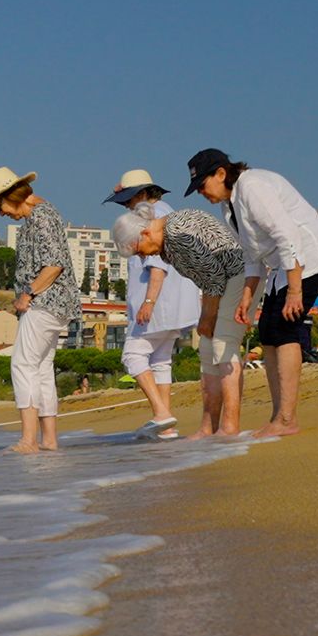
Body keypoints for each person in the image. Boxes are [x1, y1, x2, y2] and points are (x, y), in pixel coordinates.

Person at [184, 148, 318, 439]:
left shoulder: (252, 187)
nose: (201, 194)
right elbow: (251, 255)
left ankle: (287, 419)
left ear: (221, 173)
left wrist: (295, 291)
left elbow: (287, 235)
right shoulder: (228, 205)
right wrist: (247, 296)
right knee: (268, 331)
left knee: (284, 329)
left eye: (202, 185)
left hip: (308, 256)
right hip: (281, 265)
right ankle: (278, 417)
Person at [111, 205, 248, 438]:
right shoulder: (166, 241)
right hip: (221, 283)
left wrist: (208, 316)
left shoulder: (175, 233)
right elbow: (206, 278)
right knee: (206, 351)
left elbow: (213, 275)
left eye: (139, 251)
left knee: (222, 347)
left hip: (237, 277)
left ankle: (229, 427)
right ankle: (208, 428)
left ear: (144, 233)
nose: (144, 256)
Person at [0, 166, 81, 454]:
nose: (1, 214)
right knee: (40, 369)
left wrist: (28, 294)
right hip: (55, 304)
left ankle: (28, 440)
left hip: (45, 303)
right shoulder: (42, 216)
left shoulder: (41, 217)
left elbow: (54, 264)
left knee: (22, 365)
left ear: (13, 196)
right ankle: (48, 440)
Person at [105, 169, 201, 439]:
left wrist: (149, 302)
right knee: (160, 361)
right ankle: (166, 428)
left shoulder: (153, 217)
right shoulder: (168, 212)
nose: (126, 206)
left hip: (158, 304)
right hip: (174, 305)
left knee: (133, 356)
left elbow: (157, 264)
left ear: (145, 193)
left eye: (129, 199)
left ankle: (161, 414)